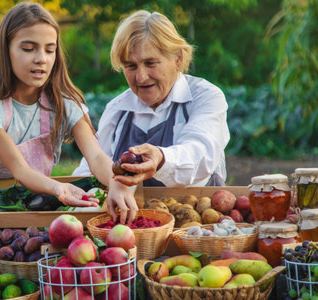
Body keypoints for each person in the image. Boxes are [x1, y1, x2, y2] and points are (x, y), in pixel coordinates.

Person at [0, 2, 136, 223]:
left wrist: (116, 184)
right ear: (6, 50)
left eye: (49, 49)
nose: (41, 58)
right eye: (28, 48)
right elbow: (20, 170)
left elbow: (96, 156)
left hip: (38, 209)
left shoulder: (65, 104)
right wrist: (59, 187)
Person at [73, 10, 230, 198]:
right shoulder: (117, 109)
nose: (141, 76)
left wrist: (161, 159)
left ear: (178, 59)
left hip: (198, 220)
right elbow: (90, 168)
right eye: (130, 66)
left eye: (151, 63)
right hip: (134, 223)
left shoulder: (205, 97)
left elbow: (200, 154)